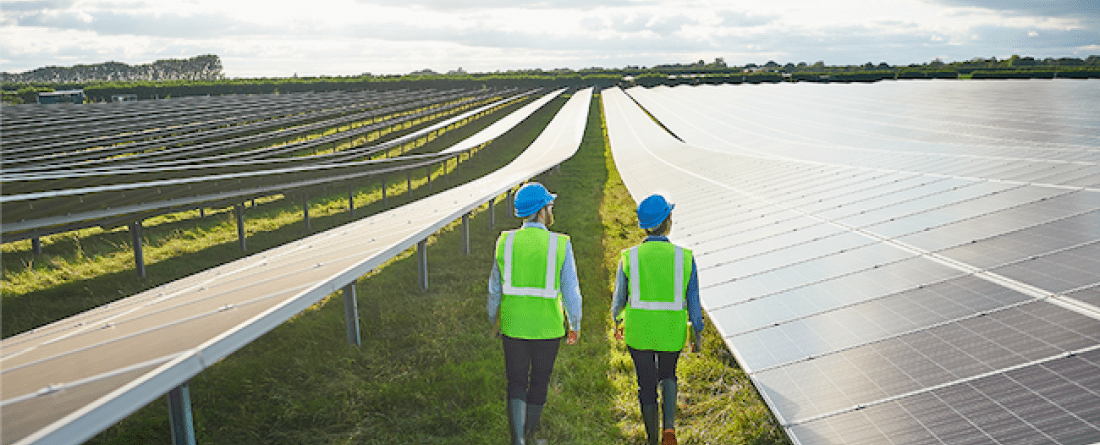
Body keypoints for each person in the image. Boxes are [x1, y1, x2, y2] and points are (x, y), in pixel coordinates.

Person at [488, 182, 582, 445]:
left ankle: (517, 440)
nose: (552, 210)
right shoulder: (560, 244)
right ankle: (530, 433)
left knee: (516, 380)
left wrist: (493, 319)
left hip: (513, 324)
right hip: (547, 327)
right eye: (550, 206)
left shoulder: (505, 242)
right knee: (539, 381)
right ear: (542, 211)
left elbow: (494, 288)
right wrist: (574, 324)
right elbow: (571, 291)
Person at [612, 194, 703, 445]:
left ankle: (652, 439)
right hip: (671, 333)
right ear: (669, 221)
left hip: (639, 332)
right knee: (668, 374)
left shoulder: (629, 257)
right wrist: (697, 335)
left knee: (646, 383)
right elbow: (695, 306)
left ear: (643, 225)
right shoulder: (684, 257)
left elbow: (619, 300)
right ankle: (670, 428)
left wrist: (617, 320)